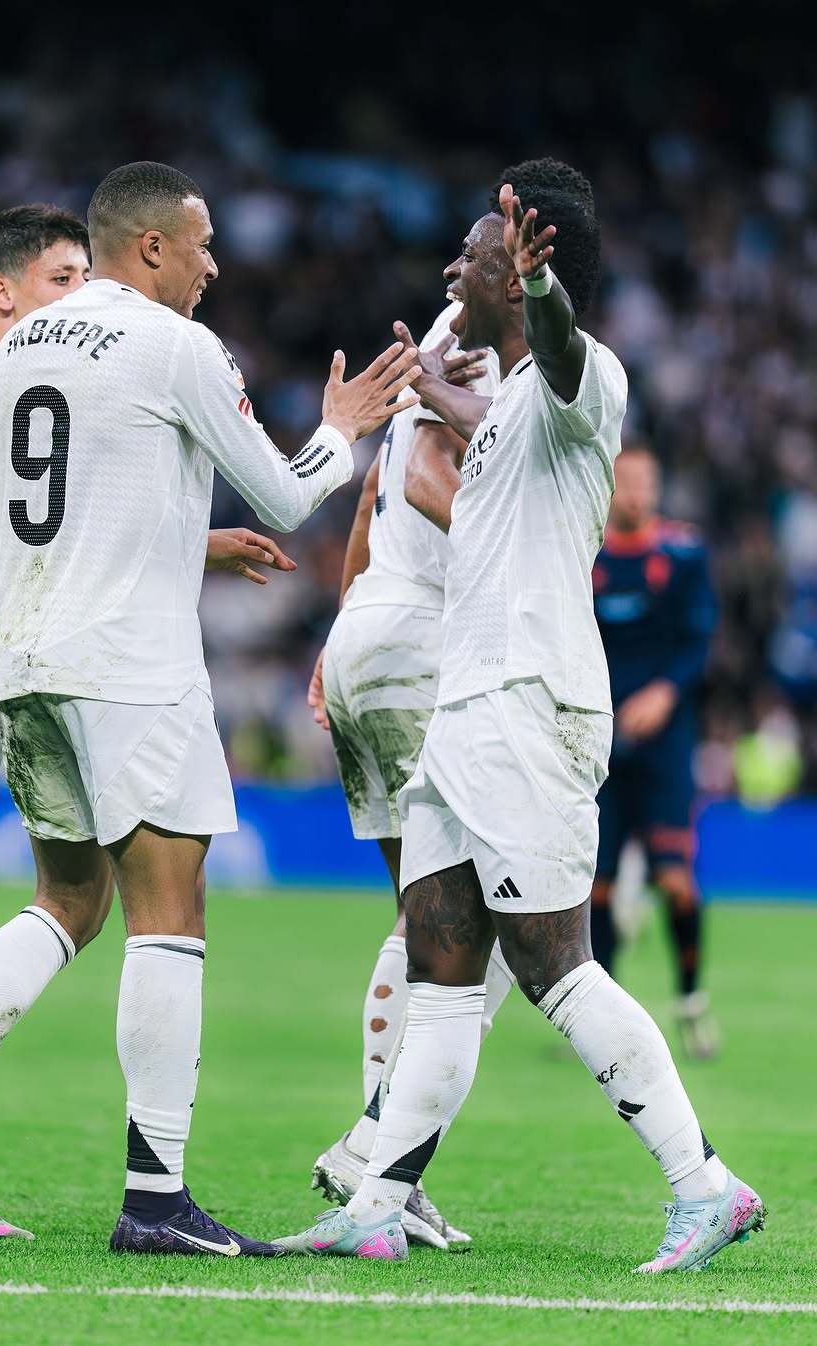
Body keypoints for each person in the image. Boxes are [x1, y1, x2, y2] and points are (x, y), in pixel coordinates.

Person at [0, 160, 421, 1255]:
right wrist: (342, 427)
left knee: (70, 900)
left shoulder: (18, 344)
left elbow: (72, 495)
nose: (214, 267)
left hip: (26, 663)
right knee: (169, 914)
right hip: (132, 666)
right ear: (154, 245)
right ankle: (155, 1197)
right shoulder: (179, 347)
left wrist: (186, 539)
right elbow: (286, 492)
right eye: (202, 246)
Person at [276, 158, 762, 1273]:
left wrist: (539, 292)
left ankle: (707, 1187)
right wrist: (418, 387)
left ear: (528, 268)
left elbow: (560, 354)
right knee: (442, 968)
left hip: (535, 703)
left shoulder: (588, 382)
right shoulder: (502, 412)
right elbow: (477, 422)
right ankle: (376, 1204)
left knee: (554, 967)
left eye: (480, 252)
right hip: (466, 704)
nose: (459, 264)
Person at [0, 201, 293, 1239]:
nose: (82, 295)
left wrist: (201, 545)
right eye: (63, 278)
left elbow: (45, 523)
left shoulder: (53, 375)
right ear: (5, 290)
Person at [306, 304, 513, 1252]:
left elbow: (371, 496)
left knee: (419, 915)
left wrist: (341, 634)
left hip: (372, 632)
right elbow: (430, 477)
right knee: (487, 923)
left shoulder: (439, 342)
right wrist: (529, 556)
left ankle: (386, 1163)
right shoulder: (484, 351)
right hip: (427, 642)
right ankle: (379, 1148)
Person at [591, 445, 720, 1058]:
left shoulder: (684, 555)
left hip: (665, 744)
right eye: (628, 480)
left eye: (647, 480)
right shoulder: (583, 553)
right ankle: (601, 1023)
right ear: (608, 485)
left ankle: (691, 1000)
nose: (638, 491)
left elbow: (700, 642)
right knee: (596, 887)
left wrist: (664, 693)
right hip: (597, 740)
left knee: (675, 882)